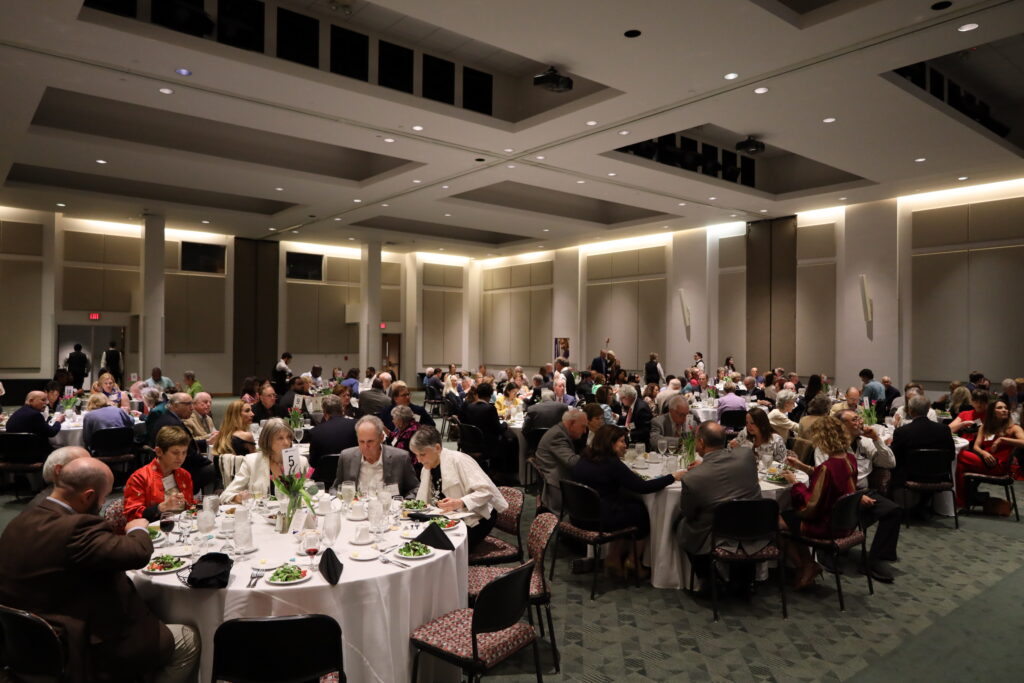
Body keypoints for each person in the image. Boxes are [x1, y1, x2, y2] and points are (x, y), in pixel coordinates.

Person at [0, 457, 199, 682]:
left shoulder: (19, 521)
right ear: (88, 496)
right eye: (104, 497)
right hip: (77, 648)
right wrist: (138, 529)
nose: (103, 503)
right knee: (188, 639)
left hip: (22, 643)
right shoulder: (76, 527)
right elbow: (136, 553)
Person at [570, 424, 685, 579]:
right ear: (610, 443)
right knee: (641, 514)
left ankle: (614, 558)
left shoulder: (584, 458)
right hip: (598, 521)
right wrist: (672, 477)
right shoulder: (612, 463)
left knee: (629, 507)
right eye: (622, 441)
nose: (625, 445)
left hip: (578, 516)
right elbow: (642, 487)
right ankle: (633, 561)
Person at [814, 409, 901, 581]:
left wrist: (876, 439)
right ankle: (827, 550)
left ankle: (875, 560)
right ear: (841, 425)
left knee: (893, 511)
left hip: (863, 491)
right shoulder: (827, 446)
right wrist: (854, 496)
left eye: (859, 418)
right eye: (854, 420)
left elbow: (890, 463)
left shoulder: (866, 442)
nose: (860, 422)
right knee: (847, 511)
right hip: (837, 495)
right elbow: (825, 479)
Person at [672, 422, 761, 591]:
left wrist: (703, 468)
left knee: (680, 523)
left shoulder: (692, 478)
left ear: (701, 443)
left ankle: (707, 577)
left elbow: (689, 513)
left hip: (718, 533)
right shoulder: (746, 456)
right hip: (755, 526)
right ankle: (744, 579)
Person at [780, 416, 859, 590]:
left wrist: (795, 483)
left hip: (825, 525)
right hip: (846, 522)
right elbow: (826, 478)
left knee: (775, 521)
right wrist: (801, 466)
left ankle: (805, 565)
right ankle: (807, 564)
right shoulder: (849, 459)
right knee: (790, 520)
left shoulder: (827, 468)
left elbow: (811, 505)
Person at [410, 426, 508, 549]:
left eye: (422, 454)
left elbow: (486, 491)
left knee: (438, 546)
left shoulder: (459, 460)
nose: (419, 460)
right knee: (417, 537)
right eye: (416, 455)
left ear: (437, 448)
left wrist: (460, 502)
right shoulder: (427, 468)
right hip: (451, 517)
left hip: (477, 517)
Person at [955, 399, 1024, 509]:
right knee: (960, 467)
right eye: (1000, 408)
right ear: (992, 412)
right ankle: (964, 501)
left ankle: (961, 502)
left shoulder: (1014, 428)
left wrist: (1003, 439)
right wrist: (983, 453)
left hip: (998, 466)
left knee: (960, 455)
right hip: (986, 461)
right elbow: (976, 447)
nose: (1004, 410)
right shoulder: (985, 427)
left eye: (1006, 408)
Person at [222, 418, 309, 502]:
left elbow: (309, 493)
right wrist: (239, 497)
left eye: (289, 437)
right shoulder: (252, 462)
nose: (287, 442)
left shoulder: (301, 461)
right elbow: (226, 495)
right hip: (261, 511)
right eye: (280, 438)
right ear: (268, 441)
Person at [332, 416, 420, 497]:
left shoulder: (400, 458)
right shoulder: (347, 457)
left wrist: (402, 504)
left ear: (381, 438)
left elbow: (415, 488)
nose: (365, 447)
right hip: (356, 506)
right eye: (361, 441)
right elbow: (335, 489)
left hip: (388, 507)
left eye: (370, 441)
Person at [123, 426, 195, 522]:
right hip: (153, 528)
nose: (180, 458)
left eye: (184, 452)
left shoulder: (184, 475)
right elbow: (132, 515)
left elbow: (190, 506)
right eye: (175, 453)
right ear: (159, 452)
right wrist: (162, 506)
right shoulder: (140, 478)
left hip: (182, 525)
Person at [146, 393, 215, 491]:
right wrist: (208, 462)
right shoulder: (172, 424)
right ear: (175, 406)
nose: (192, 408)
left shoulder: (170, 418)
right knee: (215, 469)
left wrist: (206, 442)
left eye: (192, 404)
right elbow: (187, 455)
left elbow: (187, 445)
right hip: (177, 469)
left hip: (178, 464)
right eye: (188, 404)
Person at [890, 394, 955, 489]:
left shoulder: (901, 432)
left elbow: (894, 458)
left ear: (911, 411)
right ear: (928, 410)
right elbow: (952, 456)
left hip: (910, 477)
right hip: (939, 477)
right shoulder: (944, 430)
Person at [534, 409, 589, 513]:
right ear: (571, 423)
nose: (585, 431)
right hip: (556, 484)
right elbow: (572, 462)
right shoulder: (558, 435)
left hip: (556, 476)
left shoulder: (559, 431)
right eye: (583, 426)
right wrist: (593, 452)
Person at [306, 394, 357, 468]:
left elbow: (313, 462)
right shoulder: (356, 425)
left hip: (325, 474)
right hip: (351, 471)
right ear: (342, 410)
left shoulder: (315, 432)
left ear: (324, 413)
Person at [617, 384, 651, 449]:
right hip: (633, 439)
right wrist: (617, 417)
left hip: (640, 445)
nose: (621, 401)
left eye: (622, 398)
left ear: (629, 397)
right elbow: (629, 421)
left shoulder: (641, 408)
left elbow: (645, 430)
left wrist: (628, 435)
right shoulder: (633, 404)